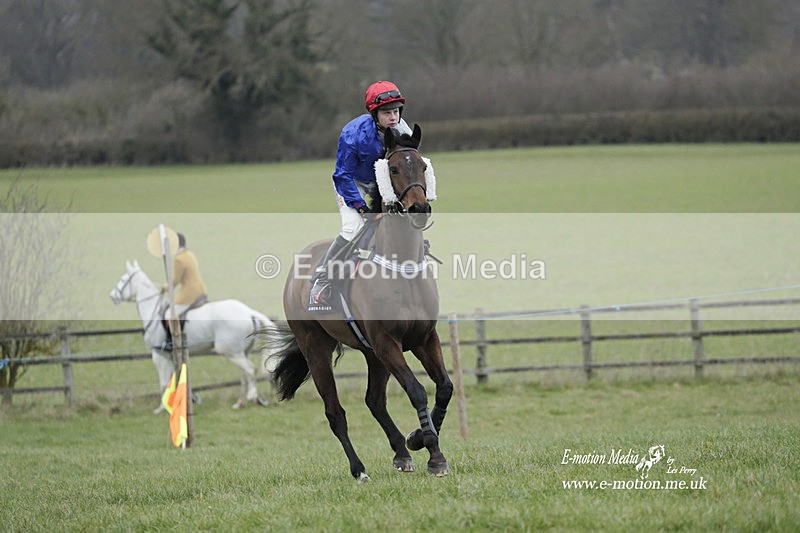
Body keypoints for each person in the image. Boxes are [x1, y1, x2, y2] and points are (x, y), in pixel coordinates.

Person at [308, 81, 413, 311]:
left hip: (383, 183)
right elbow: (342, 175)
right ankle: (322, 280)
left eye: (396, 111)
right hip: (352, 184)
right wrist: (362, 208)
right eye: (387, 113)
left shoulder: (403, 131)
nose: (393, 117)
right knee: (352, 228)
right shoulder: (353, 134)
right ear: (374, 114)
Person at [161, 232, 208, 351]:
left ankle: (170, 342)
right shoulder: (189, 254)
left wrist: (164, 287)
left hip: (189, 293)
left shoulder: (179, 260)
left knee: (168, 314)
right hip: (201, 290)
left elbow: (175, 281)